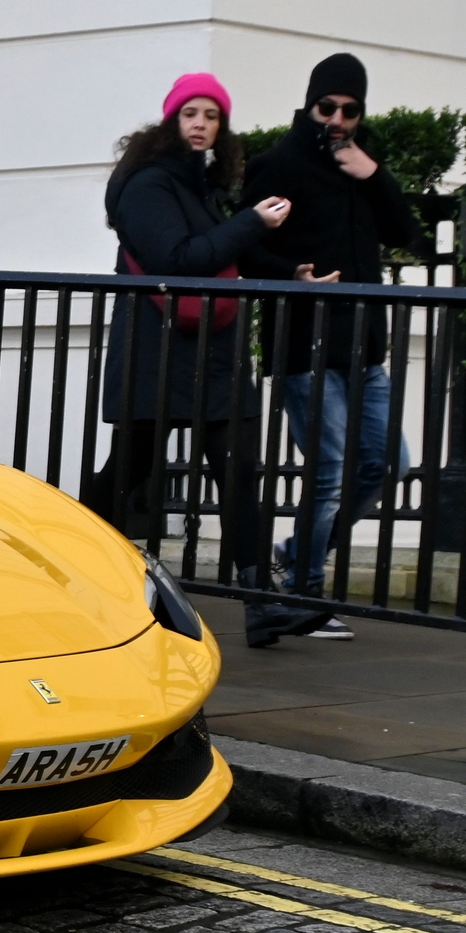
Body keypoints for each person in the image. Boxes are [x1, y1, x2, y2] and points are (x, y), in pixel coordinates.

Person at [93, 72, 314, 647]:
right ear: (171, 120)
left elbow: (224, 262)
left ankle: (261, 603)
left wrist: (290, 273)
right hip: (157, 354)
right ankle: (64, 561)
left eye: (211, 115)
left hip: (212, 357)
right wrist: (252, 221)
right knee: (125, 476)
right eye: (190, 113)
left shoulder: (202, 186)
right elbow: (180, 258)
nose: (200, 124)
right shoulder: (147, 184)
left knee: (239, 472)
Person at [242, 52, 426, 639]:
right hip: (305, 345)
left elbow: (408, 236)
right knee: (330, 469)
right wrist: (291, 275)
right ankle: (304, 595)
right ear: (310, 104)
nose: (339, 119)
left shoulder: (363, 165)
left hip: (364, 347)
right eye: (329, 107)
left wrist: (372, 174)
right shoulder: (278, 164)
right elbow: (245, 250)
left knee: (388, 462)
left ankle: (295, 556)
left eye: (350, 109)